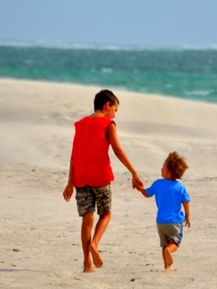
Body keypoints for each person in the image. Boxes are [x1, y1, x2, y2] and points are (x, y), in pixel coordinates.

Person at [63, 89, 143, 273]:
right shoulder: (108, 124)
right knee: (106, 213)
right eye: (115, 110)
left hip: (81, 180)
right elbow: (118, 151)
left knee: (87, 219)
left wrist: (70, 182)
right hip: (101, 178)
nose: (115, 114)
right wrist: (134, 172)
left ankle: (87, 263)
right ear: (108, 105)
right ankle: (95, 244)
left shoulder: (80, 124)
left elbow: (74, 155)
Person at [138, 152, 191, 271]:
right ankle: (169, 253)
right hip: (175, 222)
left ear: (166, 171)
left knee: (164, 244)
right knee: (174, 244)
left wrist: (139, 188)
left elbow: (147, 194)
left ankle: (167, 266)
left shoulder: (158, 183)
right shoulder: (180, 187)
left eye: (162, 166)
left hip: (161, 222)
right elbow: (186, 201)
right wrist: (188, 216)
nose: (161, 168)